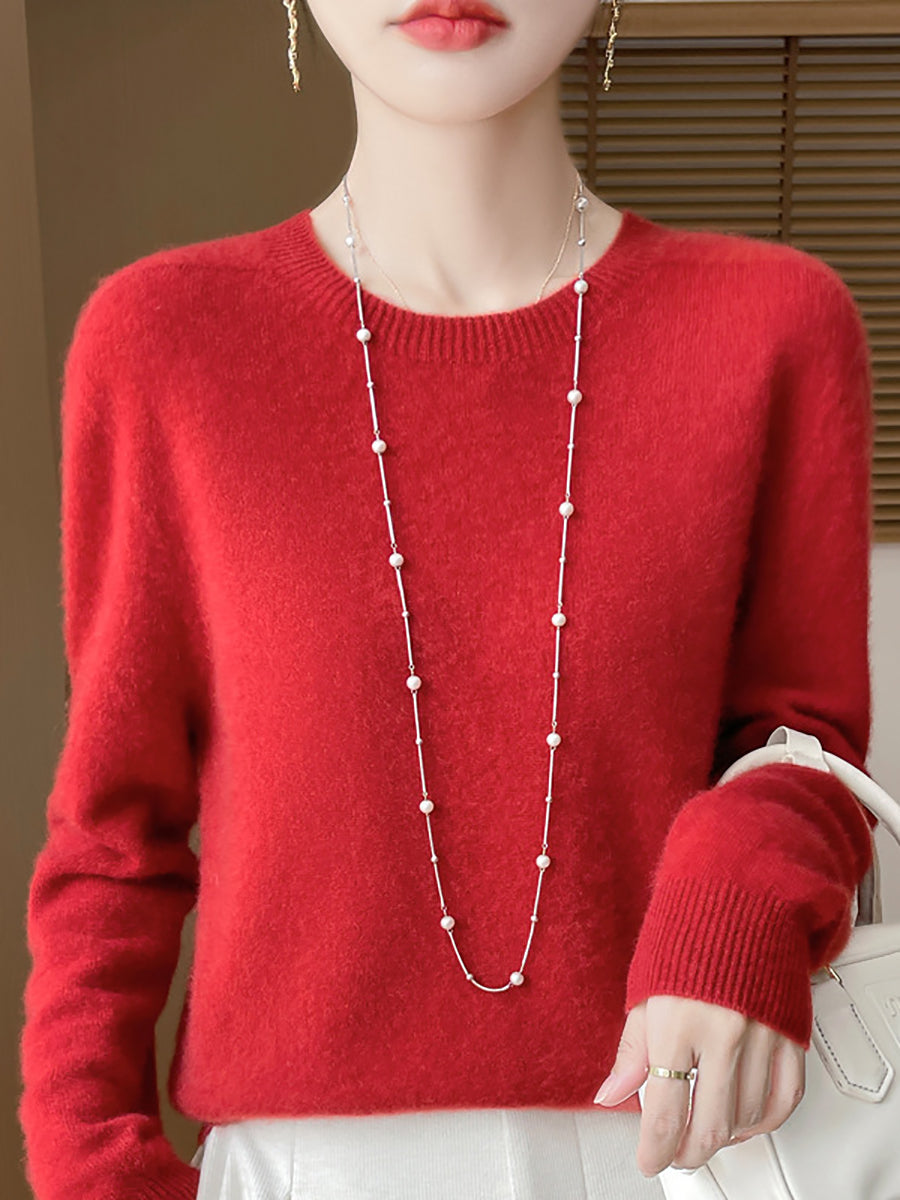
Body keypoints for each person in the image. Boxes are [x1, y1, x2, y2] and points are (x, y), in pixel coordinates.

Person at [19, 1, 878, 1197]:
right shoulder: (164, 343)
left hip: (684, 1155)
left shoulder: (772, 327)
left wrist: (740, 883)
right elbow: (114, 835)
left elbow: (807, 747)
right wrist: (93, 1177)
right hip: (298, 1169)